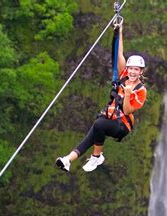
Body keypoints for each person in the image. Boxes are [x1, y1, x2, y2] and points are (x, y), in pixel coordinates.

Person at [55, 24, 147, 172]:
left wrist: (128, 93)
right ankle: (67, 160)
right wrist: (119, 32)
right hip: (109, 117)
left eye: (136, 69)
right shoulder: (123, 76)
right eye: (131, 68)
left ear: (141, 72)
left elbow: (127, 110)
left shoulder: (141, 91)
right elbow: (119, 54)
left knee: (99, 125)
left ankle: (97, 157)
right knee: (91, 136)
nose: (132, 72)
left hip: (122, 126)